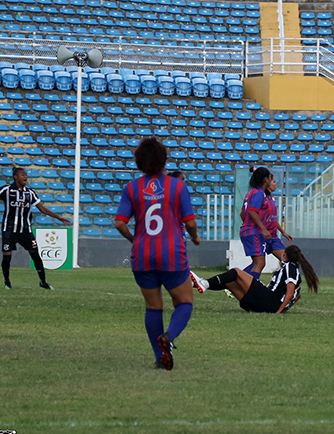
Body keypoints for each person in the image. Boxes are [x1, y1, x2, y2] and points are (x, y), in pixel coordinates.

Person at [114, 137, 201, 370]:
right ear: (164, 160)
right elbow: (190, 222)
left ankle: (158, 356)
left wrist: (136, 240)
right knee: (184, 302)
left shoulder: (131, 188)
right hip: (171, 253)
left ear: (139, 161)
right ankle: (169, 337)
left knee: (153, 306)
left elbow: (120, 223)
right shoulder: (177, 186)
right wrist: (195, 237)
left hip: (142, 255)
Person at [0, 167, 71, 290]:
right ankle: (7, 281)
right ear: (16, 177)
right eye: (22, 175)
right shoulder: (7, 189)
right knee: (7, 257)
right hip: (9, 230)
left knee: (36, 255)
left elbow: (42, 208)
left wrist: (58, 217)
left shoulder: (29, 192)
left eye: (26, 175)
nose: (25, 177)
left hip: (26, 230)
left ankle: (43, 282)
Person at [190, 245, 318, 314]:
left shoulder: (290, 267)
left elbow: (290, 293)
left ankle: (204, 283)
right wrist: (285, 308)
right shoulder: (294, 269)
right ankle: (196, 284)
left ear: (284, 255)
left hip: (270, 301)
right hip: (266, 304)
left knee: (236, 272)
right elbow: (297, 295)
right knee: (230, 283)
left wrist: (278, 311)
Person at [239, 167, 274, 280]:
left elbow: (242, 214)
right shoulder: (259, 193)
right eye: (270, 178)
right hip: (253, 232)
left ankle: (240, 285)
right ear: (265, 179)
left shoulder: (251, 193)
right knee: (260, 264)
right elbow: (252, 211)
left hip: (248, 230)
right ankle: (249, 290)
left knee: (256, 263)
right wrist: (263, 229)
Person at [261, 173, 294, 264]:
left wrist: (283, 232)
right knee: (258, 264)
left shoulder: (272, 197)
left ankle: (280, 277)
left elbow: (273, 219)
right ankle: (239, 276)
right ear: (267, 183)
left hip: (273, 236)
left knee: (287, 259)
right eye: (274, 182)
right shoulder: (261, 198)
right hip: (262, 237)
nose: (276, 184)